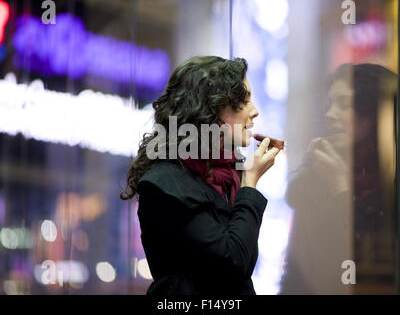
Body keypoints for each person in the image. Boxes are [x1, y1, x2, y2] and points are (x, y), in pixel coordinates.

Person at [120, 56, 281, 295]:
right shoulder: (165, 183)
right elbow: (232, 261)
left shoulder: (228, 174)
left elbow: (243, 263)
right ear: (209, 110)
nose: (254, 111)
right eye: (242, 101)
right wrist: (250, 184)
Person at [280, 63, 398, 294]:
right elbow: (295, 274)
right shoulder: (314, 178)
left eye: (345, 104)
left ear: (375, 113)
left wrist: (340, 188)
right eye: (330, 104)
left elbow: (368, 263)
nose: (329, 115)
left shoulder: (388, 183)